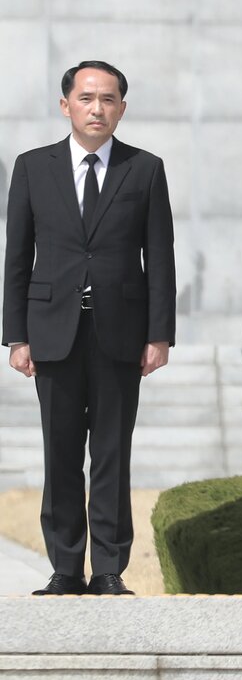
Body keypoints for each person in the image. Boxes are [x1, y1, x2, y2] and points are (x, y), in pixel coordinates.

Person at [3, 60, 176, 596]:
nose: (96, 108)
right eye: (86, 98)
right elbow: (18, 256)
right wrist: (16, 335)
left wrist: (160, 334)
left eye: (108, 99)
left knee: (111, 453)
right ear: (66, 106)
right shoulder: (33, 168)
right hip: (52, 331)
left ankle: (108, 569)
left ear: (122, 108)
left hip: (120, 334)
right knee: (59, 453)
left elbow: (160, 256)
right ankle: (63, 567)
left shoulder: (144, 169)